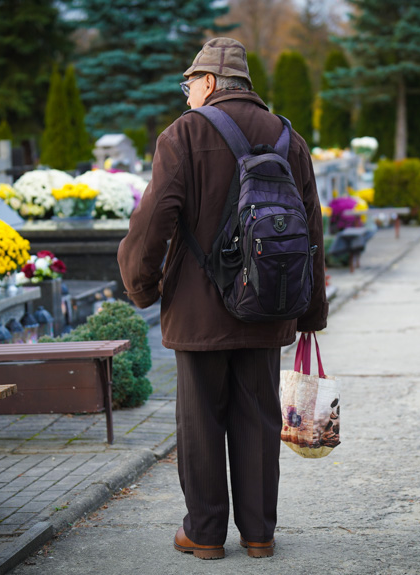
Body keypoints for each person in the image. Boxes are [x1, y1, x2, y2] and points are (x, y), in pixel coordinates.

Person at [117, 37, 328, 560]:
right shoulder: (288, 137)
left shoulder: (183, 135)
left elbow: (153, 220)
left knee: (201, 423)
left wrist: (141, 286)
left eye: (190, 83)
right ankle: (259, 534)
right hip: (269, 306)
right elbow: (312, 228)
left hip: (197, 308)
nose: (187, 93)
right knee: (258, 418)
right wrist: (311, 311)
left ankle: (205, 534)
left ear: (209, 82)